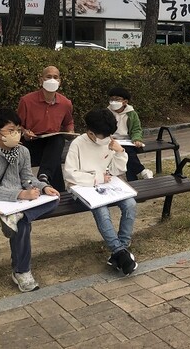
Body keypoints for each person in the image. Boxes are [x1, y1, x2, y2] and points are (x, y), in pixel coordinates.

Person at [0, 109, 60, 293]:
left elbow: (28, 178)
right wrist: (21, 194)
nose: (17, 134)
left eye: (18, 130)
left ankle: (19, 216)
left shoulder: (22, 151)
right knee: (22, 226)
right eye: (11, 130)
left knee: (54, 199)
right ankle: (22, 271)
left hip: (20, 203)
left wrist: (43, 187)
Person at [63, 109, 138, 275]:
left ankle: (121, 248)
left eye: (109, 135)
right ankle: (120, 252)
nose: (107, 139)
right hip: (82, 188)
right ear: (90, 132)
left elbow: (117, 170)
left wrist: (120, 152)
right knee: (102, 210)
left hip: (107, 186)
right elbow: (70, 174)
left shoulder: (108, 141)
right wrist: (97, 178)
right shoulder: (78, 144)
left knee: (130, 204)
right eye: (104, 136)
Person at [17, 66, 74, 191]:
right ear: (41, 80)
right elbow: (17, 125)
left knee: (57, 140)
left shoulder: (65, 103)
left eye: (55, 77)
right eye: (48, 77)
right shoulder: (27, 101)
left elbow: (68, 122)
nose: (52, 80)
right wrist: (25, 132)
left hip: (52, 143)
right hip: (31, 143)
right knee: (54, 158)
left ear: (60, 81)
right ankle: (54, 187)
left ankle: (44, 176)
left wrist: (70, 131)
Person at [107, 87, 153, 181]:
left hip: (127, 140)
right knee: (127, 153)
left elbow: (136, 129)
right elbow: (102, 128)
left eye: (117, 99)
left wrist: (137, 139)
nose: (113, 102)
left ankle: (134, 179)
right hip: (111, 140)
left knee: (127, 152)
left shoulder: (132, 114)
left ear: (125, 102)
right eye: (112, 99)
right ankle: (141, 171)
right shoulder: (106, 113)